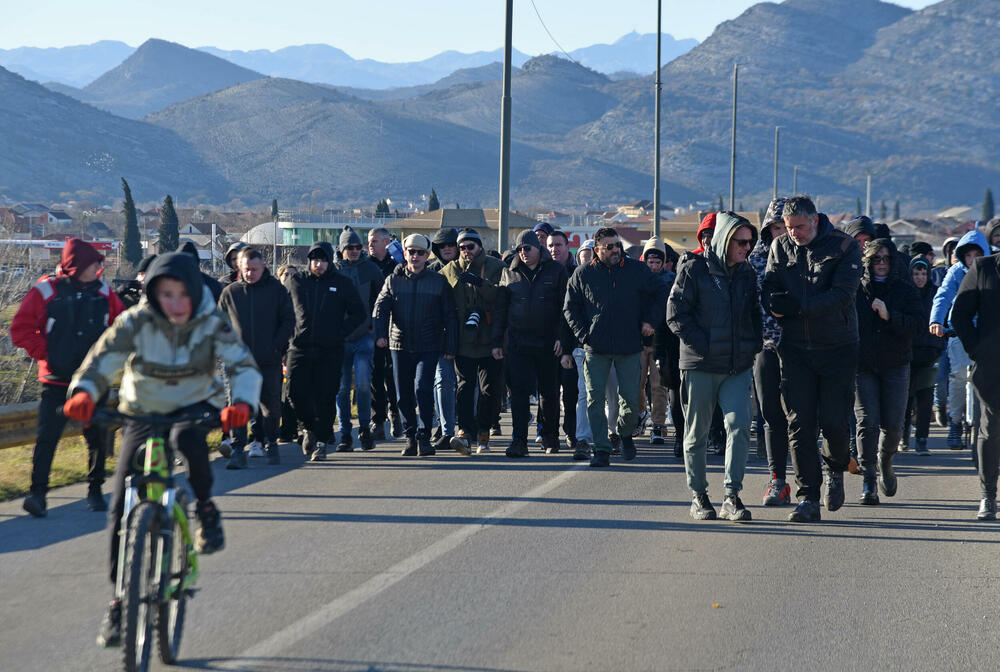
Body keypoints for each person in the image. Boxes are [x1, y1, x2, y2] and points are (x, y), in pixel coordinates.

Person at [64, 251, 260, 648]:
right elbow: (104, 358)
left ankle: (205, 507)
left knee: (189, 443)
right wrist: (84, 392)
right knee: (119, 504)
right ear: (152, 294)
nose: (173, 302)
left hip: (195, 404)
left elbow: (241, 363)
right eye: (164, 294)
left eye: (181, 293)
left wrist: (241, 403)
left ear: (195, 292)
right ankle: (119, 601)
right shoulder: (135, 321)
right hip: (142, 408)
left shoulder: (211, 321)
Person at [762, 195, 862, 523]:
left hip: (837, 347)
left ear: (815, 221)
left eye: (800, 227)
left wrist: (799, 308)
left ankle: (835, 468)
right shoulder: (780, 247)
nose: (794, 233)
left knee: (834, 422)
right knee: (799, 423)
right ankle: (808, 497)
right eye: (789, 228)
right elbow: (770, 284)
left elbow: (843, 294)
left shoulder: (845, 247)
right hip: (795, 350)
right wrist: (772, 302)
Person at [11, 239, 126, 517]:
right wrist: (47, 354)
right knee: (47, 438)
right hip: (55, 380)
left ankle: (95, 490)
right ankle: (38, 495)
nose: (99, 268)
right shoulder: (45, 291)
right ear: (77, 266)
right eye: (94, 264)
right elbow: (20, 330)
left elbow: (121, 328)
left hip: (93, 381)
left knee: (96, 436)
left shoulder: (104, 293)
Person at [667, 213, 761, 521]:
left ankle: (732, 496)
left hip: (737, 366)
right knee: (697, 434)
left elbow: (752, 315)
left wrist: (753, 345)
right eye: (741, 242)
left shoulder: (746, 272)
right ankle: (699, 495)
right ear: (724, 240)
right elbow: (675, 314)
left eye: (750, 242)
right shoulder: (693, 268)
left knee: (739, 426)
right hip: (701, 365)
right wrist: (704, 347)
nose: (747, 248)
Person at [564, 227, 668, 467]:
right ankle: (601, 448)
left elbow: (661, 292)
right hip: (595, 348)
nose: (615, 250)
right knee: (594, 400)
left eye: (617, 246)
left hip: (629, 346)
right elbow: (570, 308)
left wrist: (651, 321)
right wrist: (583, 335)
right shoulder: (582, 274)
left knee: (630, 401)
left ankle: (624, 433)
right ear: (597, 249)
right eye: (609, 247)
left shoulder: (637, 270)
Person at [852, 239, 926, 504]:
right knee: (867, 423)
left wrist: (889, 316)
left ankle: (885, 461)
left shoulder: (905, 290)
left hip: (896, 364)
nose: (881, 264)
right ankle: (868, 479)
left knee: (893, 426)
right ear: (867, 262)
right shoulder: (856, 288)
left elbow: (918, 326)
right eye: (875, 259)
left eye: (885, 259)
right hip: (863, 365)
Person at [373, 234, 459, 456]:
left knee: (422, 389)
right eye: (411, 252)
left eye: (420, 252)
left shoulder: (438, 282)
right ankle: (410, 436)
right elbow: (380, 309)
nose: (415, 256)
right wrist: (381, 334)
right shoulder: (393, 280)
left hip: (429, 345)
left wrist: (450, 346)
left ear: (427, 255)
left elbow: (450, 315)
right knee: (402, 395)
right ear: (405, 253)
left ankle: (424, 436)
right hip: (399, 345)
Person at [283, 241, 366, 461]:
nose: (318, 265)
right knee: (294, 393)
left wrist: (340, 333)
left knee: (326, 396)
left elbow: (358, 313)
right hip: (298, 348)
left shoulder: (342, 283)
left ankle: (320, 441)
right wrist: (286, 339)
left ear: (330, 262)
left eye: (323, 261)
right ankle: (308, 427)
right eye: (315, 260)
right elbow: (281, 311)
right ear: (309, 260)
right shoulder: (296, 281)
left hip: (329, 350)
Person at [492, 230, 571, 457]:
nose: (523, 253)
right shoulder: (509, 272)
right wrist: (497, 342)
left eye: (527, 248)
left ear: (538, 248)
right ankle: (519, 442)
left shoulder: (556, 271)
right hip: (518, 342)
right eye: (519, 249)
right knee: (518, 393)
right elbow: (500, 311)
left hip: (548, 342)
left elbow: (565, 310)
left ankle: (550, 438)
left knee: (549, 393)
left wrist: (562, 340)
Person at [217, 247, 294, 466]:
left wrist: (276, 346)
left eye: (254, 269)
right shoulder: (230, 293)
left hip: (268, 359)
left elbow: (288, 320)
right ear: (239, 268)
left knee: (270, 407)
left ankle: (271, 443)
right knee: (237, 407)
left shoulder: (276, 291)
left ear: (263, 268)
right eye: (246, 269)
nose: (250, 273)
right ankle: (239, 449)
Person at [441, 228, 505, 453]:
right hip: (463, 339)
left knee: (489, 389)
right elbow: (442, 304)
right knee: (464, 388)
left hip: (490, 339)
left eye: (471, 246)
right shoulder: (449, 270)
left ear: (480, 246)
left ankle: (484, 432)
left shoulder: (496, 267)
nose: (466, 251)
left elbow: (502, 299)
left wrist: (480, 283)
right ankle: (465, 432)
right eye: (462, 247)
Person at [749, 198, 793, 506]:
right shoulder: (755, 259)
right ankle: (777, 479)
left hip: (802, 345)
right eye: (775, 227)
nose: (781, 232)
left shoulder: (807, 256)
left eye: (785, 227)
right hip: (764, 347)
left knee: (803, 415)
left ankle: (811, 480)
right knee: (770, 414)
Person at [951, 248, 1000, 519]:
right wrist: (977, 350)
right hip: (992, 366)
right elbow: (960, 314)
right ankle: (988, 497)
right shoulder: (984, 268)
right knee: (990, 429)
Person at [929, 229, 989, 448]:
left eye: (976, 255)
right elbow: (943, 296)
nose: (972, 260)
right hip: (959, 333)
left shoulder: (992, 271)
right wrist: (936, 321)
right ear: (962, 255)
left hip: (986, 337)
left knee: (987, 381)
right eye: (968, 255)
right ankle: (955, 421)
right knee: (958, 377)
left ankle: (986, 424)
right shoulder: (956, 272)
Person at [333, 227, 384, 452]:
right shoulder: (333, 272)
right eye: (349, 247)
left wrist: (375, 328)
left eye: (357, 247)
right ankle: (345, 432)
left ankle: (364, 428)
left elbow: (383, 300)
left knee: (363, 383)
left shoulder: (371, 270)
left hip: (364, 335)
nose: (354, 251)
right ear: (342, 249)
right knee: (342, 388)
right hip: (339, 338)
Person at [905, 257, 945, 455]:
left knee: (925, 396)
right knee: (905, 397)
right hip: (906, 353)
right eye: (916, 274)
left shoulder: (936, 294)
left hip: (930, 352)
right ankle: (903, 435)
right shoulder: (904, 294)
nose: (920, 278)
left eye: (923, 273)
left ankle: (922, 439)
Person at [427, 228, 461, 450]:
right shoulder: (430, 271)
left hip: (468, 334)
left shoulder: (467, 268)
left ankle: (468, 425)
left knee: (467, 384)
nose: (447, 248)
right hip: (440, 335)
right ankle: (444, 427)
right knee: (442, 381)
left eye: (451, 244)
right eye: (442, 246)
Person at [546, 230, 580, 451]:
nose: (554, 249)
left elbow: (571, 313)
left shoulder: (577, 273)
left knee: (570, 393)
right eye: (550, 245)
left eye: (558, 245)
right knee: (548, 393)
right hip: (546, 343)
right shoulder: (544, 272)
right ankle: (549, 435)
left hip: (570, 343)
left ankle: (571, 432)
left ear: (567, 247)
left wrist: (565, 341)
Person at [368, 227, 402, 439]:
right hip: (372, 327)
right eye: (369, 241)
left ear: (387, 242)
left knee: (394, 375)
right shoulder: (366, 266)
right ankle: (377, 419)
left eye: (375, 241)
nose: (370, 245)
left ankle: (396, 414)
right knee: (375, 376)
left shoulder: (397, 265)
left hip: (396, 327)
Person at [638, 238, 672, 446]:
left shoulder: (670, 280)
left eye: (657, 262)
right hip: (638, 340)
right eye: (650, 262)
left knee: (658, 385)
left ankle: (658, 424)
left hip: (661, 341)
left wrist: (652, 322)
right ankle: (640, 415)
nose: (653, 266)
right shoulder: (636, 279)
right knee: (637, 383)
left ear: (664, 262)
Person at [276, 264, 300, 441]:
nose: (289, 277)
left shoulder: (300, 298)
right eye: (286, 274)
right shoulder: (274, 297)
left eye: (293, 274)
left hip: (295, 349)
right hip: (276, 350)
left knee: (291, 391)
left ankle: (290, 427)